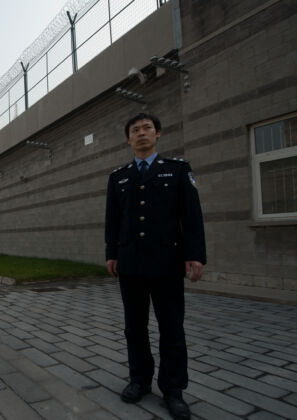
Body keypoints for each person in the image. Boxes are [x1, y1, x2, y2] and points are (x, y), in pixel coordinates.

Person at [104, 113, 206, 420]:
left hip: (167, 263)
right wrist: (112, 253)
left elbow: (191, 216)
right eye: (134, 130)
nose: (141, 133)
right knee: (134, 328)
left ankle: (173, 391)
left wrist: (195, 254)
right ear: (128, 139)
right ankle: (140, 381)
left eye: (147, 128)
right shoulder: (118, 176)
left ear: (158, 134)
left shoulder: (177, 170)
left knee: (171, 328)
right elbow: (113, 220)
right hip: (131, 264)